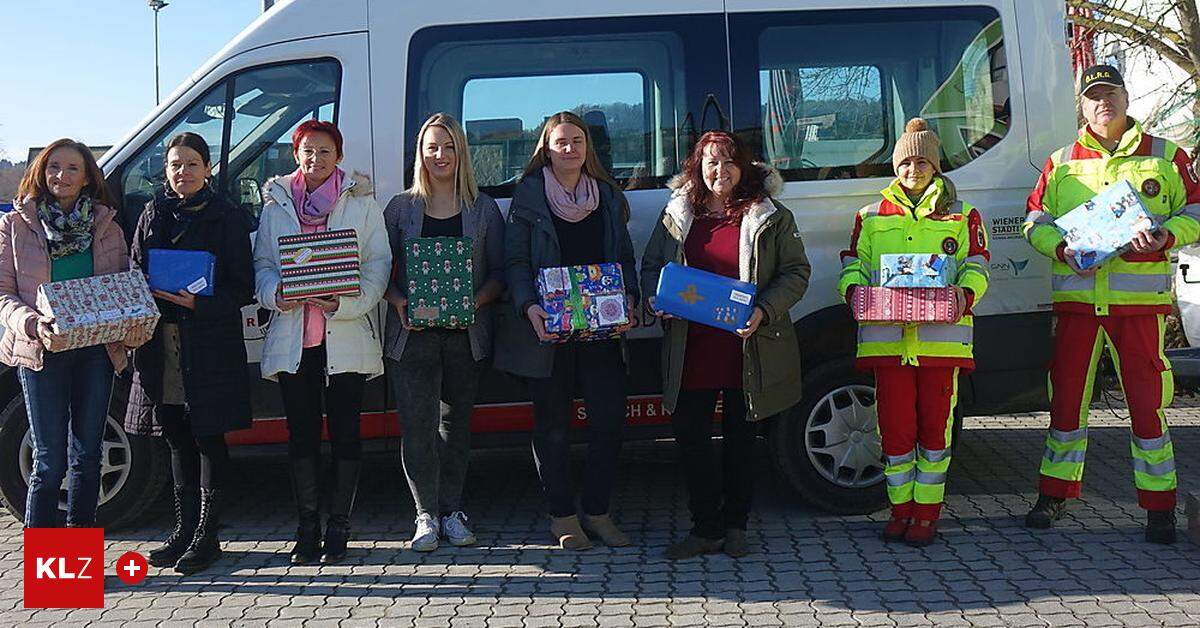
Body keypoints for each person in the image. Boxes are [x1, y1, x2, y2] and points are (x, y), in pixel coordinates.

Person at [1022, 65, 1200, 544]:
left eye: (1111, 93)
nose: (1104, 102)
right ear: (1082, 105)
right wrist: (1060, 249)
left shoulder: (1166, 156)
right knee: (1066, 403)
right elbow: (1034, 220)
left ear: (1126, 97)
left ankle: (1160, 506)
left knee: (1148, 406)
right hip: (1078, 304)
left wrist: (1167, 234)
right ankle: (1054, 495)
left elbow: (1196, 212)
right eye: (1094, 95)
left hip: (1137, 308)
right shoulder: (1060, 162)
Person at [641, 131, 810, 559]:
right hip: (691, 347)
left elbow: (796, 273)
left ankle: (736, 526)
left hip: (748, 348)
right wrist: (656, 299)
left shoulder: (770, 214)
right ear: (697, 167)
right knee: (691, 440)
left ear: (745, 166)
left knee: (742, 441)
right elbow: (651, 266)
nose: (721, 171)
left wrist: (763, 311)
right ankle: (705, 529)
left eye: (730, 162)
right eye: (711, 162)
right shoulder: (677, 214)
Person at [838, 118, 991, 546]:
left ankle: (926, 515)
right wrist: (852, 292)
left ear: (936, 166)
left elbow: (977, 265)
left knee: (935, 433)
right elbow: (854, 265)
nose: (913, 170)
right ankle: (899, 510)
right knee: (895, 431)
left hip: (941, 344)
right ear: (895, 166)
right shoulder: (870, 216)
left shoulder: (962, 215)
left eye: (923, 162)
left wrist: (964, 294)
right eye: (906, 162)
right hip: (887, 344)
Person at [497, 111, 639, 550]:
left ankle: (597, 511)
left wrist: (630, 297)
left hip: (602, 330)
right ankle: (561, 516)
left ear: (587, 147)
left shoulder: (609, 197)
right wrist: (528, 306)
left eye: (577, 141)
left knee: (609, 421)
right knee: (553, 426)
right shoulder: (529, 197)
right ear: (547, 147)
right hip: (549, 333)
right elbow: (515, 262)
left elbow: (623, 257)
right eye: (561, 142)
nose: (570, 149)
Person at [254, 120, 391, 564]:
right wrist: (275, 293)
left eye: (325, 152)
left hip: (345, 334)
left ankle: (339, 527)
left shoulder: (361, 202)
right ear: (296, 154)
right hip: (296, 338)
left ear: (339, 156)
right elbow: (263, 263)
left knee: (347, 433)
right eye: (308, 151)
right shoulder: (276, 204)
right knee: (302, 436)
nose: (315, 160)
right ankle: (307, 526)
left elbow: (378, 263)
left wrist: (345, 304)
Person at [0, 139, 148, 528]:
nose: (60, 176)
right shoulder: (15, 225)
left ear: (86, 179)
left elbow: (120, 290)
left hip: (95, 353)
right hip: (41, 351)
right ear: (40, 172)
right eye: (53, 167)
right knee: (49, 461)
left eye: (71, 169)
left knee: (88, 456)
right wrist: (33, 324)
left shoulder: (107, 227)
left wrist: (131, 326)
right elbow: (3, 294)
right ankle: (47, 571)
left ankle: (75, 564)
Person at [126, 132, 254, 573]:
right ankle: (182, 530)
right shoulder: (151, 213)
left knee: (208, 437)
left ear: (208, 169)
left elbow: (243, 287)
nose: (183, 172)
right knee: (176, 436)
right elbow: (135, 268)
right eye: (175, 165)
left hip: (209, 341)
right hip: (162, 342)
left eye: (192, 164)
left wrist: (201, 303)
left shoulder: (228, 217)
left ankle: (208, 535)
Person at [383, 113, 504, 551]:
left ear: (461, 153)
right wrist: (399, 302)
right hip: (411, 336)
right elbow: (382, 272)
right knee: (417, 428)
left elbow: (499, 275)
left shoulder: (484, 209)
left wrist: (474, 301)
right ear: (420, 153)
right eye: (432, 147)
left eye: (449, 147)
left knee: (456, 426)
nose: (440, 155)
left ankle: (452, 511)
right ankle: (425, 515)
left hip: (465, 335)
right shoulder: (400, 208)